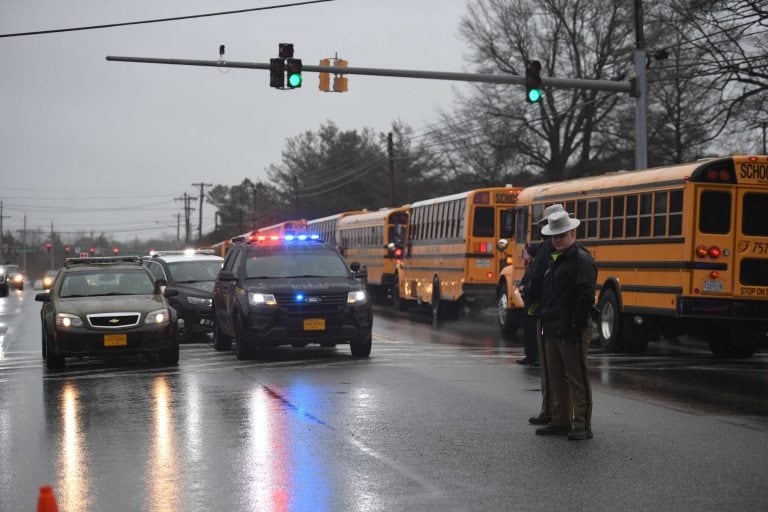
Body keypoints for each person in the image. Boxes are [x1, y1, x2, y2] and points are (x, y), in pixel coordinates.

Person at [534, 210, 597, 441]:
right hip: (553, 325)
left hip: (570, 328)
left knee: (576, 377)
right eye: (554, 235)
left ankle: (581, 425)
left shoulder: (581, 259)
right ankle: (560, 421)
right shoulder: (558, 257)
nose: (557, 239)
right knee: (557, 376)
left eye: (561, 234)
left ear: (572, 232)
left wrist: (574, 327)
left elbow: (585, 296)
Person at [520, 204, 569, 425]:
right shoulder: (549, 248)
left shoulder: (550, 249)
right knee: (551, 368)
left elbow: (539, 279)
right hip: (547, 311)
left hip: (549, 312)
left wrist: (529, 294)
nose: (544, 230)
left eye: (545, 225)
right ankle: (550, 410)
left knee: (552, 369)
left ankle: (552, 412)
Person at [517, 242, 541, 365]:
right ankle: (530, 355)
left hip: (535, 303)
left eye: (530, 254)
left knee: (534, 330)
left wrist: (525, 288)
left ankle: (536, 356)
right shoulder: (531, 265)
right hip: (528, 301)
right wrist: (522, 286)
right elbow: (525, 279)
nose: (528, 257)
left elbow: (535, 284)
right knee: (529, 330)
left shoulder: (539, 266)